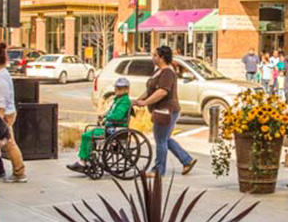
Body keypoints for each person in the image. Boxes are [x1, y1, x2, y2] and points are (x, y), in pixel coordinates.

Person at [134, 45, 195, 177]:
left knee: (160, 140)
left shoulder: (167, 72)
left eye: (155, 55)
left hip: (166, 110)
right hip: (163, 110)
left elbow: (162, 92)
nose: (153, 57)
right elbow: (151, 90)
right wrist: (139, 100)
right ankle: (187, 160)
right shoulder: (159, 71)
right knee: (165, 139)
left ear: (162, 58)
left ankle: (158, 170)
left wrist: (145, 102)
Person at [0, 43, 27, 183]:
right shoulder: (2, 75)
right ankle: (0, 168)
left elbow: (2, 99)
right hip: (0, 114)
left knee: (8, 143)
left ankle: (18, 172)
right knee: (1, 143)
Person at [68, 77, 132, 174]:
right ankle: (85, 158)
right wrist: (104, 115)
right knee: (88, 134)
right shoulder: (118, 100)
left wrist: (107, 117)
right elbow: (112, 112)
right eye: (116, 88)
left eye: (120, 88)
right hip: (111, 127)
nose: (117, 90)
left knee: (87, 135)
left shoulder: (124, 101)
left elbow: (118, 115)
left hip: (116, 129)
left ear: (126, 89)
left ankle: (83, 162)